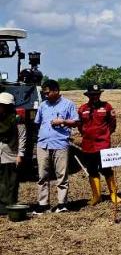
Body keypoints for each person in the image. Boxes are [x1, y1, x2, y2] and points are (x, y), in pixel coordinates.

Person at [33, 79, 79, 214]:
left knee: (61, 175)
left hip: (60, 144)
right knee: (42, 175)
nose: (45, 95)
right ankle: (43, 205)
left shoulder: (68, 104)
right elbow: (38, 122)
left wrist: (63, 121)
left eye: (47, 93)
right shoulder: (43, 105)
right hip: (43, 144)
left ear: (56, 91)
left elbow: (76, 122)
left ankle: (62, 204)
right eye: (44, 93)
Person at [77, 84, 121, 206]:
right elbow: (80, 126)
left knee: (107, 169)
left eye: (97, 94)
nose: (95, 97)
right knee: (92, 170)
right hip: (88, 146)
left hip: (103, 145)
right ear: (88, 96)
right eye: (92, 95)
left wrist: (105, 135)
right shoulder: (82, 109)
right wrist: (87, 135)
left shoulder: (107, 107)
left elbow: (112, 124)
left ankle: (113, 194)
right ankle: (96, 196)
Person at [0, 92, 25, 215]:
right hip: (0, 151)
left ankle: (10, 205)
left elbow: (22, 137)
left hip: (11, 153)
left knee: (11, 181)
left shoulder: (17, 119)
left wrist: (20, 155)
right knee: (1, 181)